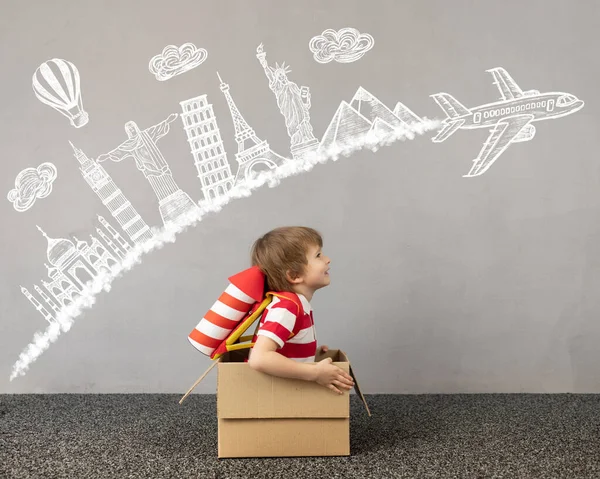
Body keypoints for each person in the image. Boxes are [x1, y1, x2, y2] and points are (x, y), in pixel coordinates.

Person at [247, 226, 354, 395]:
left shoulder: (296, 304)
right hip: (270, 394)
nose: (328, 259)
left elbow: (285, 348)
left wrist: (312, 353)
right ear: (295, 275)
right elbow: (259, 359)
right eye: (318, 255)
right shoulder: (286, 308)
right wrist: (316, 373)